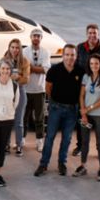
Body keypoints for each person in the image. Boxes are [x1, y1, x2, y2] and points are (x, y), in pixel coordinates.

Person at [35, 45, 83, 177]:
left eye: (72, 55)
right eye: (67, 55)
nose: (69, 57)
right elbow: (48, 87)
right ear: (63, 56)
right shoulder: (54, 70)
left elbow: (82, 92)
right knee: (50, 137)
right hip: (56, 108)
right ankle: (43, 164)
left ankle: (62, 163)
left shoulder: (80, 71)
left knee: (66, 139)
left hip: (72, 110)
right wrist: (54, 103)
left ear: (76, 56)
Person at [73, 23, 100, 157]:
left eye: (94, 33)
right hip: (84, 87)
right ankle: (80, 146)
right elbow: (76, 66)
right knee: (82, 118)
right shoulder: (80, 47)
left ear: (98, 34)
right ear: (87, 34)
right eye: (90, 33)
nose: (92, 35)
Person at [75, 54, 100, 181]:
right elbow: (81, 95)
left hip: (99, 115)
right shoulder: (86, 77)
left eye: (96, 63)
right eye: (91, 64)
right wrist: (83, 113)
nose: (94, 66)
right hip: (86, 114)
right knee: (84, 142)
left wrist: (88, 109)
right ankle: (83, 166)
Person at [23, 29, 51, 153]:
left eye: (38, 36)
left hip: (39, 89)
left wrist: (30, 67)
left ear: (41, 38)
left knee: (39, 118)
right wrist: (36, 68)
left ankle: (40, 141)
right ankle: (22, 139)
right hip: (26, 89)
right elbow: (23, 68)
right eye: (34, 36)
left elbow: (45, 70)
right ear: (30, 37)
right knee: (24, 116)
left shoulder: (45, 52)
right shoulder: (24, 51)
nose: (36, 38)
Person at [1, 39, 30, 157]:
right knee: (7, 120)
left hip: (20, 92)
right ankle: (6, 144)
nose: (14, 50)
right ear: (9, 47)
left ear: (20, 49)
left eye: (17, 47)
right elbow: (0, 77)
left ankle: (19, 145)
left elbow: (26, 79)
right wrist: (13, 77)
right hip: (6, 93)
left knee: (18, 121)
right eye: (12, 47)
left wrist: (16, 77)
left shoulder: (24, 61)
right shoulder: (3, 60)